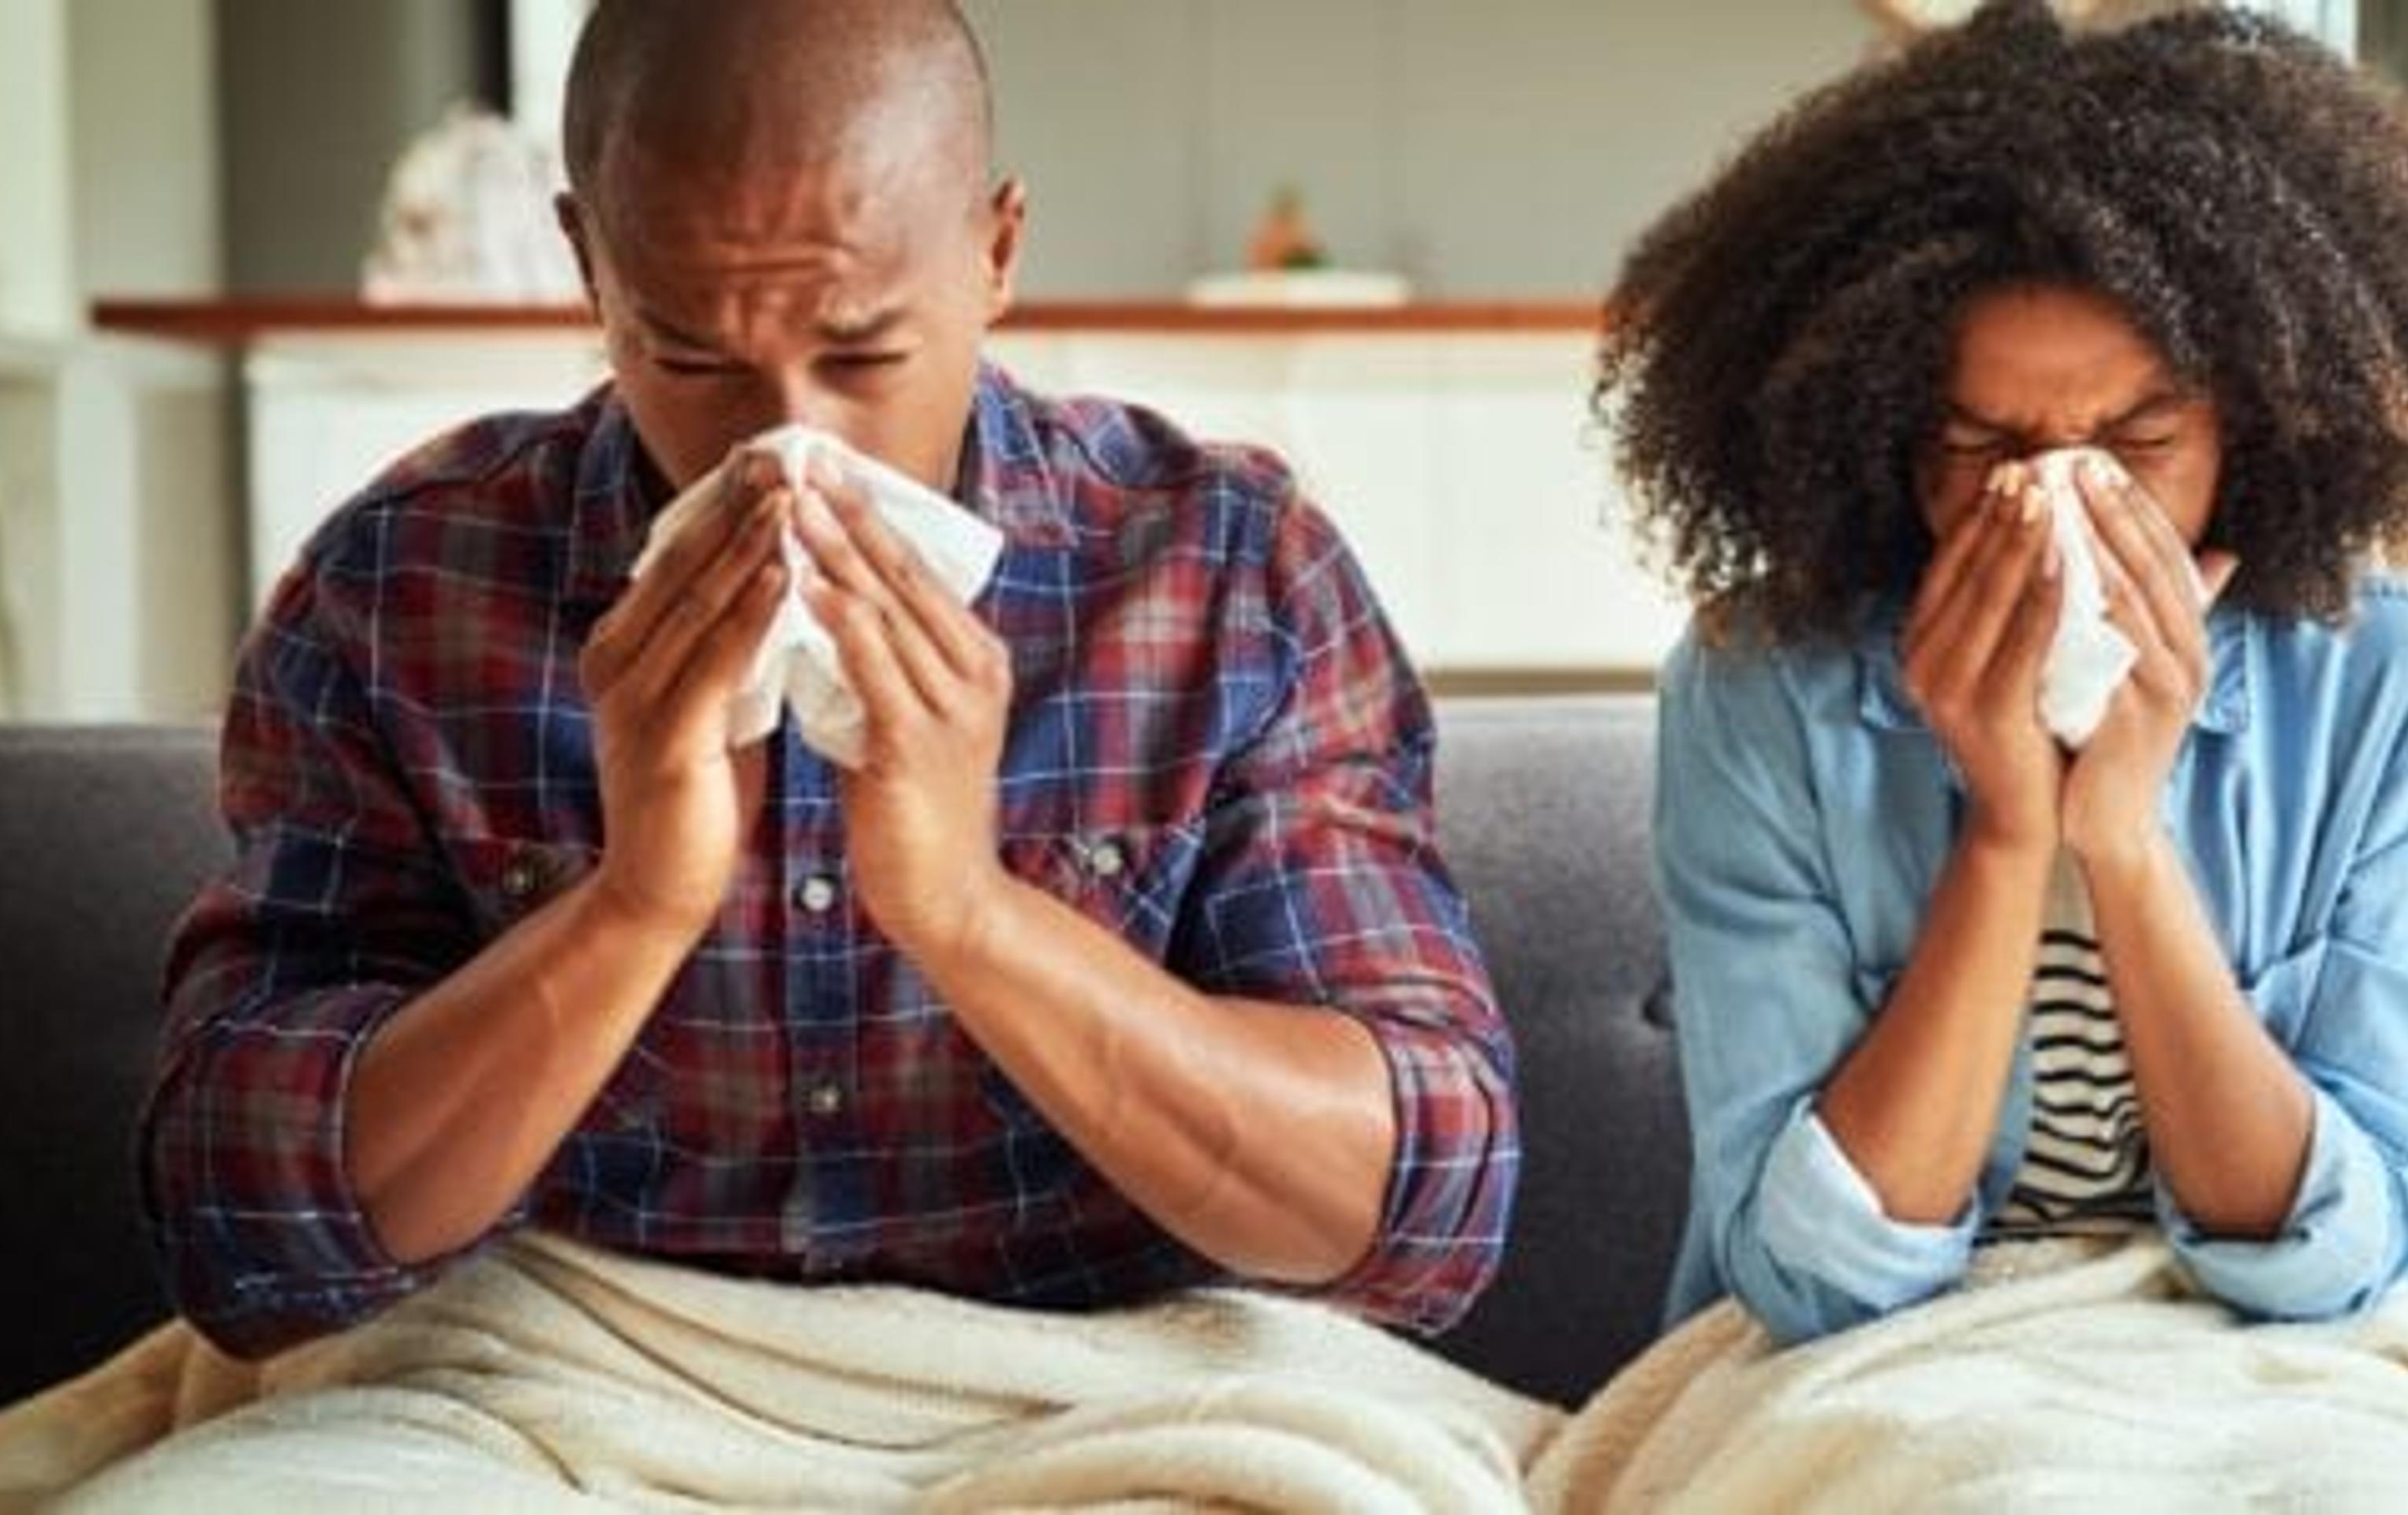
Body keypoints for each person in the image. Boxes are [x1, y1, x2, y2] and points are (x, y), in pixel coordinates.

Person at [147, 0, 1514, 1361]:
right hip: (563, 1388)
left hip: (1102, 1382)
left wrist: (969, 912)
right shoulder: (406, 588)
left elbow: (1421, 1210)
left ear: (997, 251)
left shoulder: (1223, 572)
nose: (789, 447)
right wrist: (633, 907)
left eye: (863, 355)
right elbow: (239, 1226)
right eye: (691, 355)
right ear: (589, 266)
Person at [1604, 0, 2408, 1346]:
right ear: (1879, 438)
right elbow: (1815, 1280)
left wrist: (2122, 839)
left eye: (2139, 439)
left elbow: (2336, 1255)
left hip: (2263, 1367)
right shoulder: (1759, 696)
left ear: (2254, 425)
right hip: (1887, 1367)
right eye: (1984, 448)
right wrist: (2006, 833)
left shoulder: (2391, 683)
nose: (2061, 505)